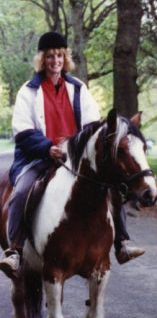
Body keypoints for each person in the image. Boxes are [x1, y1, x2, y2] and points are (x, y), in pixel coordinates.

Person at [0, 31, 144, 276]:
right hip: (41, 156)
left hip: (74, 158)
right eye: (50, 56)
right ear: (42, 59)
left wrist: (78, 148)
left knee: (111, 186)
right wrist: (47, 147)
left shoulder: (78, 88)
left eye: (59, 55)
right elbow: (22, 130)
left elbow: (91, 125)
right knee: (22, 190)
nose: (55, 60)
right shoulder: (28, 91)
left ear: (64, 58)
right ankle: (14, 249)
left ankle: (121, 242)